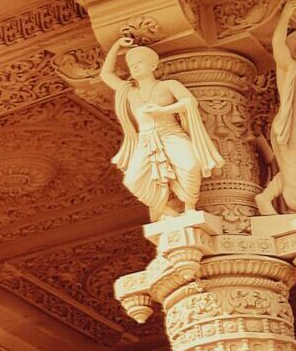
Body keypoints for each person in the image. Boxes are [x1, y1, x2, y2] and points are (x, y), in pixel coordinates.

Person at [88, 31, 224, 221]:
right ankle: (169, 212)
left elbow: (189, 102)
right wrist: (117, 45)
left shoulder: (168, 85)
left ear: (153, 65)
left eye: (139, 62)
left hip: (171, 134)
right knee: (132, 180)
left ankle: (190, 206)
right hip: (145, 140)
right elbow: (106, 74)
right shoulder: (130, 91)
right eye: (131, 64)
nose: (135, 66)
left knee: (190, 165)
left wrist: (162, 110)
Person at [258, 0, 296, 215]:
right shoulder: (292, 69)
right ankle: (266, 198)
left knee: (294, 168)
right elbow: (278, 46)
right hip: (293, 125)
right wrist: (284, 17)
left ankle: (265, 198)